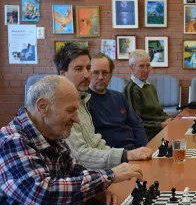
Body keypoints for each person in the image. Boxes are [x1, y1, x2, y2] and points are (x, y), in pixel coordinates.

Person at [0, 75, 143, 205]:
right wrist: (109, 176)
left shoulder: (51, 135)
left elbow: (73, 170)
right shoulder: (11, 141)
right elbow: (43, 193)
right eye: (70, 110)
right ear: (43, 107)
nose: (77, 119)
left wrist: (95, 191)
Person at [53, 42, 152, 170]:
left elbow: (96, 143)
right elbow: (80, 155)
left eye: (88, 68)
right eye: (79, 69)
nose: (87, 75)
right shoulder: (61, 105)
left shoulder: (82, 99)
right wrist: (125, 156)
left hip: (116, 160)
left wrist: (135, 152)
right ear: (63, 74)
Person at [88, 52, 150, 151]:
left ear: (111, 74)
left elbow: (137, 124)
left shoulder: (118, 97)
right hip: (113, 155)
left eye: (105, 72)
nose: (100, 77)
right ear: (88, 74)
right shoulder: (84, 101)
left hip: (134, 150)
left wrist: (143, 148)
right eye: (95, 72)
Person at [123, 49, 172, 141]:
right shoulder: (131, 89)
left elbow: (159, 112)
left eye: (148, 66)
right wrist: (161, 125)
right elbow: (134, 123)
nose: (146, 70)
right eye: (141, 66)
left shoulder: (150, 86)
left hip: (159, 130)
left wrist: (169, 120)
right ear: (131, 67)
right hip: (147, 136)